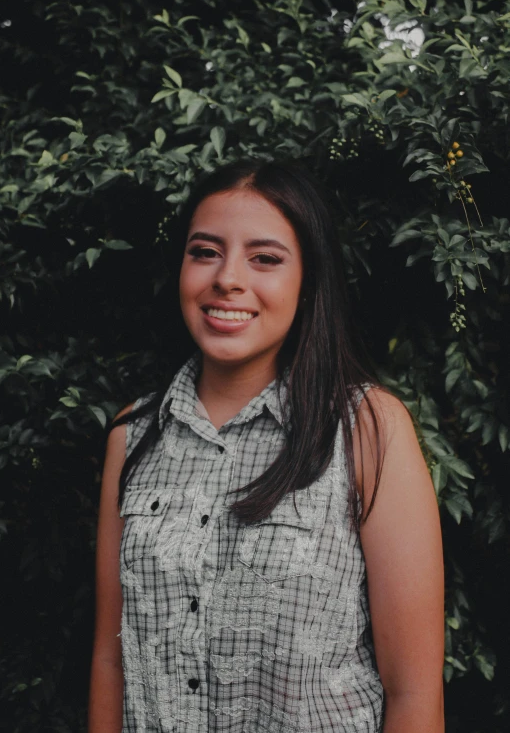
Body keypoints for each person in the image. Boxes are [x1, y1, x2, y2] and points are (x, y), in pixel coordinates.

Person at [88, 159, 444, 732]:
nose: (227, 278)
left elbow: (414, 692)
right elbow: (111, 657)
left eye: (266, 259)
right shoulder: (132, 436)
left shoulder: (368, 428)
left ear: (308, 285)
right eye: (204, 251)